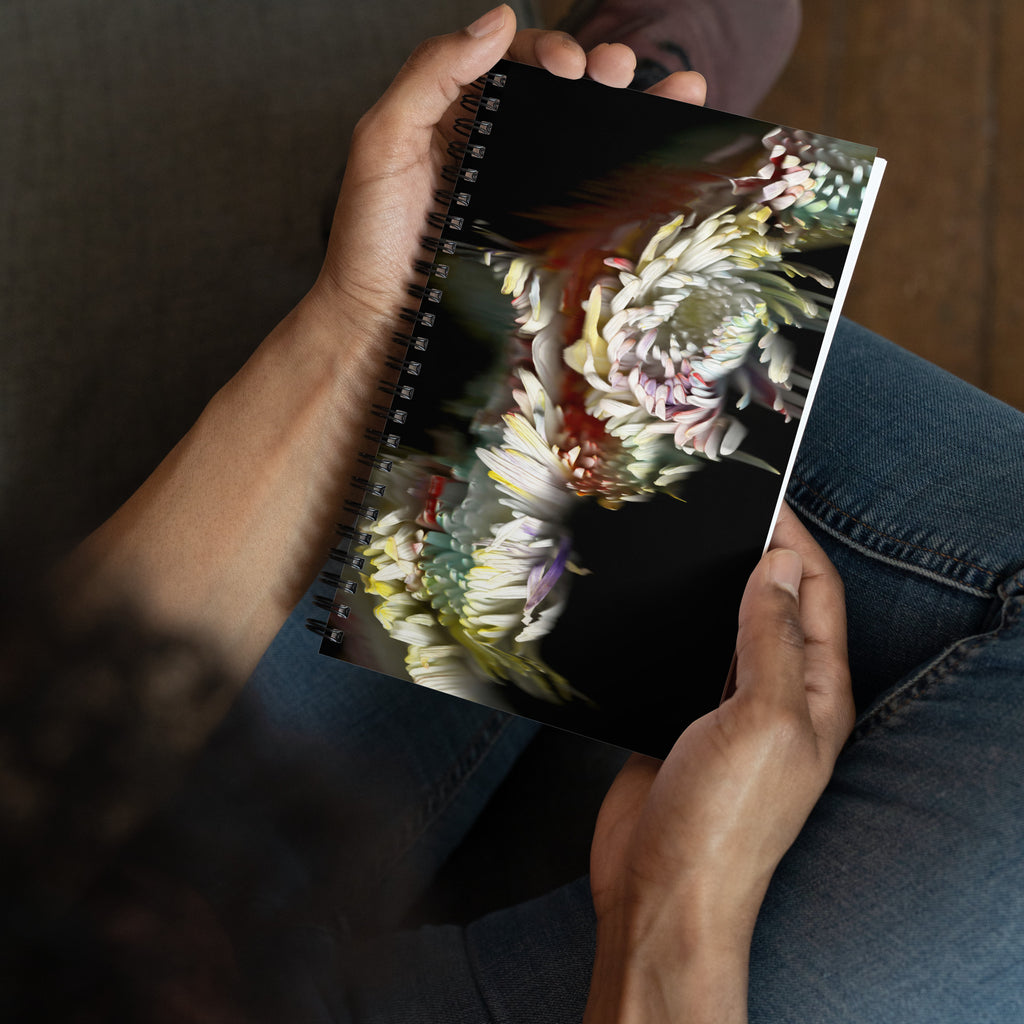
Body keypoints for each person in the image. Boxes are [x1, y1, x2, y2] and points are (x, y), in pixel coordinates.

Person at [4, 5, 1023, 1023]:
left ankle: (510, 236)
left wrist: (357, 328)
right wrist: (671, 921)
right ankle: (564, 203)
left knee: (497, 403)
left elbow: (33, 773)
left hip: (98, 924)